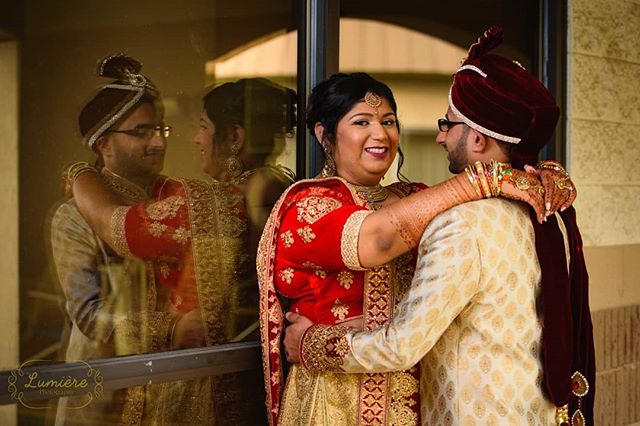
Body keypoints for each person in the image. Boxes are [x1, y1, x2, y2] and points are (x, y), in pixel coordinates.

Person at [284, 27, 595, 425]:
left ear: (478, 140)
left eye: (389, 120)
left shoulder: (429, 203)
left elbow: (403, 343)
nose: (380, 133)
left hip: (419, 401)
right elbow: (378, 238)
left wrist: (533, 174)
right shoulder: (310, 204)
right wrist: (494, 176)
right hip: (339, 401)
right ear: (324, 135)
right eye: (361, 122)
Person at [65, 77, 296, 425]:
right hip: (262, 375)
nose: (195, 139)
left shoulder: (218, 204)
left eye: (203, 127)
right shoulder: (287, 187)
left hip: (215, 383)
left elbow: (117, 227)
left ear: (233, 137)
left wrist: (80, 175)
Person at [50, 54, 171, 425]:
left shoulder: (168, 202)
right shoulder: (75, 215)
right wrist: (170, 328)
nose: (158, 142)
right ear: (103, 144)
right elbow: (89, 314)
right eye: (141, 132)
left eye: (161, 130)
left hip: (165, 381)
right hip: (103, 394)